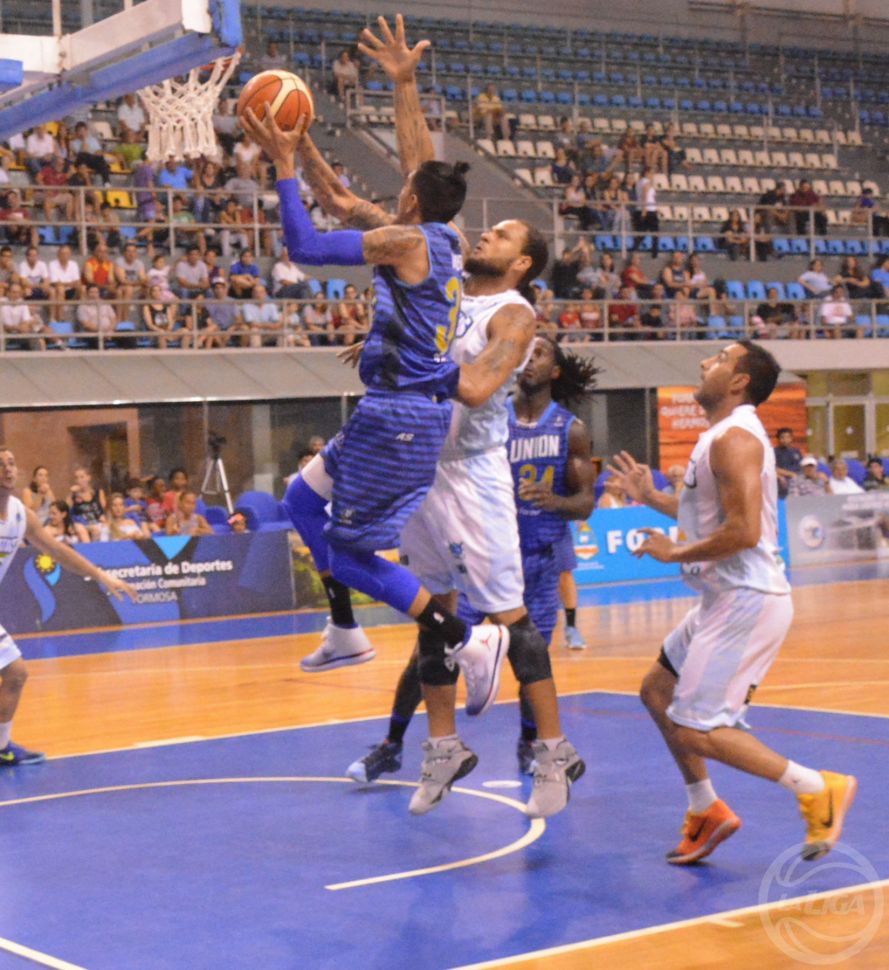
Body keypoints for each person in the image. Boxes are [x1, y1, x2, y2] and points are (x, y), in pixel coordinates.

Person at [242, 16, 513, 723]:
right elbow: (359, 191)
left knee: (346, 554)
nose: (396, 187)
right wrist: (306, 136)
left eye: (402, 188)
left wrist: (283, 167)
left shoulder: (407, 241)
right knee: (302, 502)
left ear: (411, 201)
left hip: (401, 419)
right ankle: (344, 631)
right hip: (393, 408)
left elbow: (306, 245)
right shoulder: (441, 235)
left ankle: (468, 636)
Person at [608, 341, 856, 865]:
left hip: (748, 599)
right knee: (658, 691)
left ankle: (819, 788)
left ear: (740, 381)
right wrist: (650, 497)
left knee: (697, 728)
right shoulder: (720, 436)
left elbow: (743, 532)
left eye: (720, 359)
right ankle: (706, 808)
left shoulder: (736, 439)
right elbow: (708, 516)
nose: (706, 363)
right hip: (722, 595)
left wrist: (675, 551)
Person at [346, 336, 597, 810]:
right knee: (432, 631)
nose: (529, 360)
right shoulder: (492, 409)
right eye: (528, 352)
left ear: (555, 370)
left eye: (540, 354)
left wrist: (556, 502)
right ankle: (401, 744)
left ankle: (538, 747)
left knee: (525, 648)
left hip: (534, 552)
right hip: (460, 519)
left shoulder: (568, 426)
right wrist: (390, 341)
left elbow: (585, 501)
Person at [0, 446, 136, 765]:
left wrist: (100, 575)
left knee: (16, 674)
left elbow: (58, 551)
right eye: (0, 464)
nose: (7, 469)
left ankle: (1, 746)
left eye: (11, 463)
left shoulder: (21, 515)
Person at [67, 466, 107, 540]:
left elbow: (103, 509)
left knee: (104, 529)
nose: (79, 480)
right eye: (77, 478)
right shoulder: (73, 495)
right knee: (94, 530)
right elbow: (66, 509)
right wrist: (71, 493)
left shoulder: (98, 492)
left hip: (97, 522)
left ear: (88, 478)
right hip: (82, 524)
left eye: (82, 477)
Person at [773, 427, 802, 499]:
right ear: (778, 439)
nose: (785, 440)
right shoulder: (774, 452)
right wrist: (789, 474)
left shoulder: (796, 451)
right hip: (781, 479)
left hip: (797, 479)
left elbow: (801, 466)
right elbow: (772, 468)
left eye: (788, 437)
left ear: (791, 438)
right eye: (782, 437)